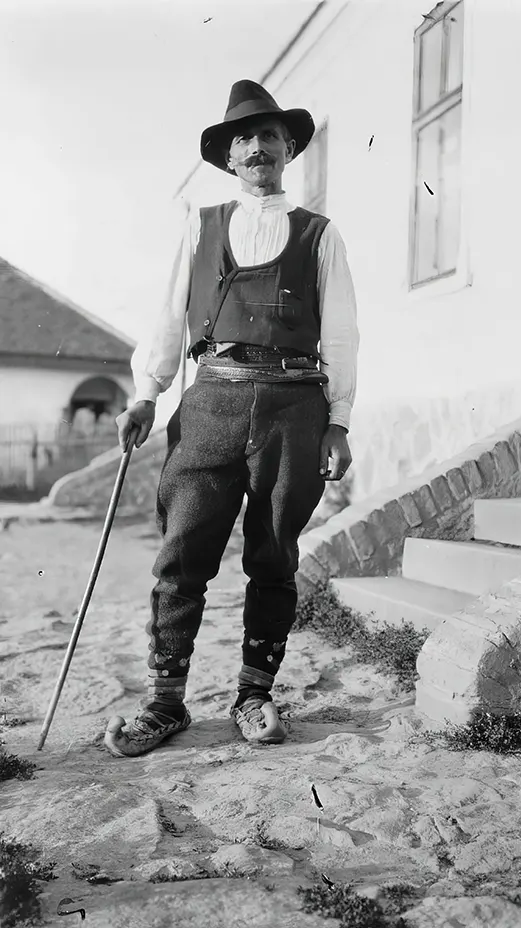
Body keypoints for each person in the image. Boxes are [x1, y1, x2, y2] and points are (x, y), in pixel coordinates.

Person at [104, 79, 359, 758]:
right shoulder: (201, 225)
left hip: (293, 407)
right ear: (228, 157)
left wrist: (338, 421)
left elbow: (341, 336)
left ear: (288, 149)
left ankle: (253, 693)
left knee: (273, 555)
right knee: (182, 553)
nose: (256, 148)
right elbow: (167, 314)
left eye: (269, 136)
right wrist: (146, 392)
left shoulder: (320, 236)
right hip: (211, 399)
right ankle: (165, 700)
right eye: (242, 139)